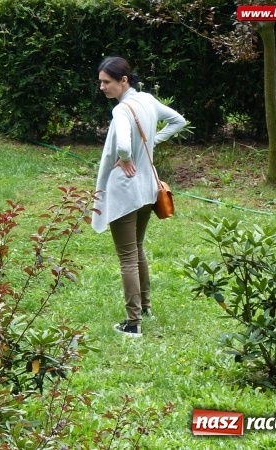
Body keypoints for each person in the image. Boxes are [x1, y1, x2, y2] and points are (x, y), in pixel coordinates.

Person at [93, 56, 187, 338]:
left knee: (127, 257)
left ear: (124, 81)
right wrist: (151, 142)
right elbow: (178, 121)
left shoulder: (122, 111)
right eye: (100, 82)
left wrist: (125, 155)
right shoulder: (147, 100)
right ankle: (145, 307)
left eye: (107, 82)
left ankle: (133, 323)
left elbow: (122, 143)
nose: (102, 87)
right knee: (137, 248)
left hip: (125, 191)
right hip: (147, 188)